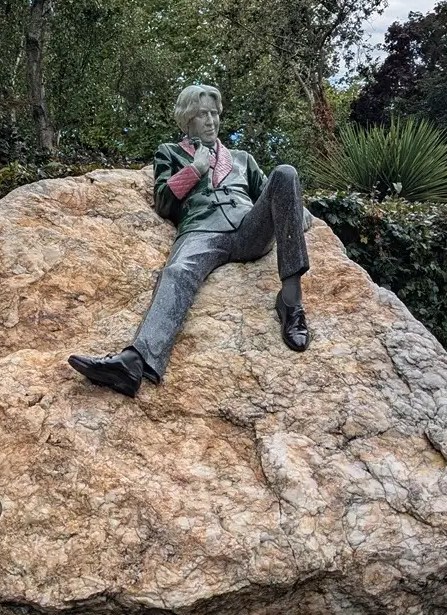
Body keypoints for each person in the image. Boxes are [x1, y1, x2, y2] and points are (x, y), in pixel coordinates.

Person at [68, 84, 313, 397]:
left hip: (249, 228)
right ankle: (134, 363)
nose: (210, 121)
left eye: (214, 114)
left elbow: (273, 191)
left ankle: (291, 304)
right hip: (201, 230)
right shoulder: (169, 153)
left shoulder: (242, 158)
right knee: (176, 272)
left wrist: (296, 206)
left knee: (287, 172)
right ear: (186, 121)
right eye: (201, 115)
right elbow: (164, 203)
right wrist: (196, 168)